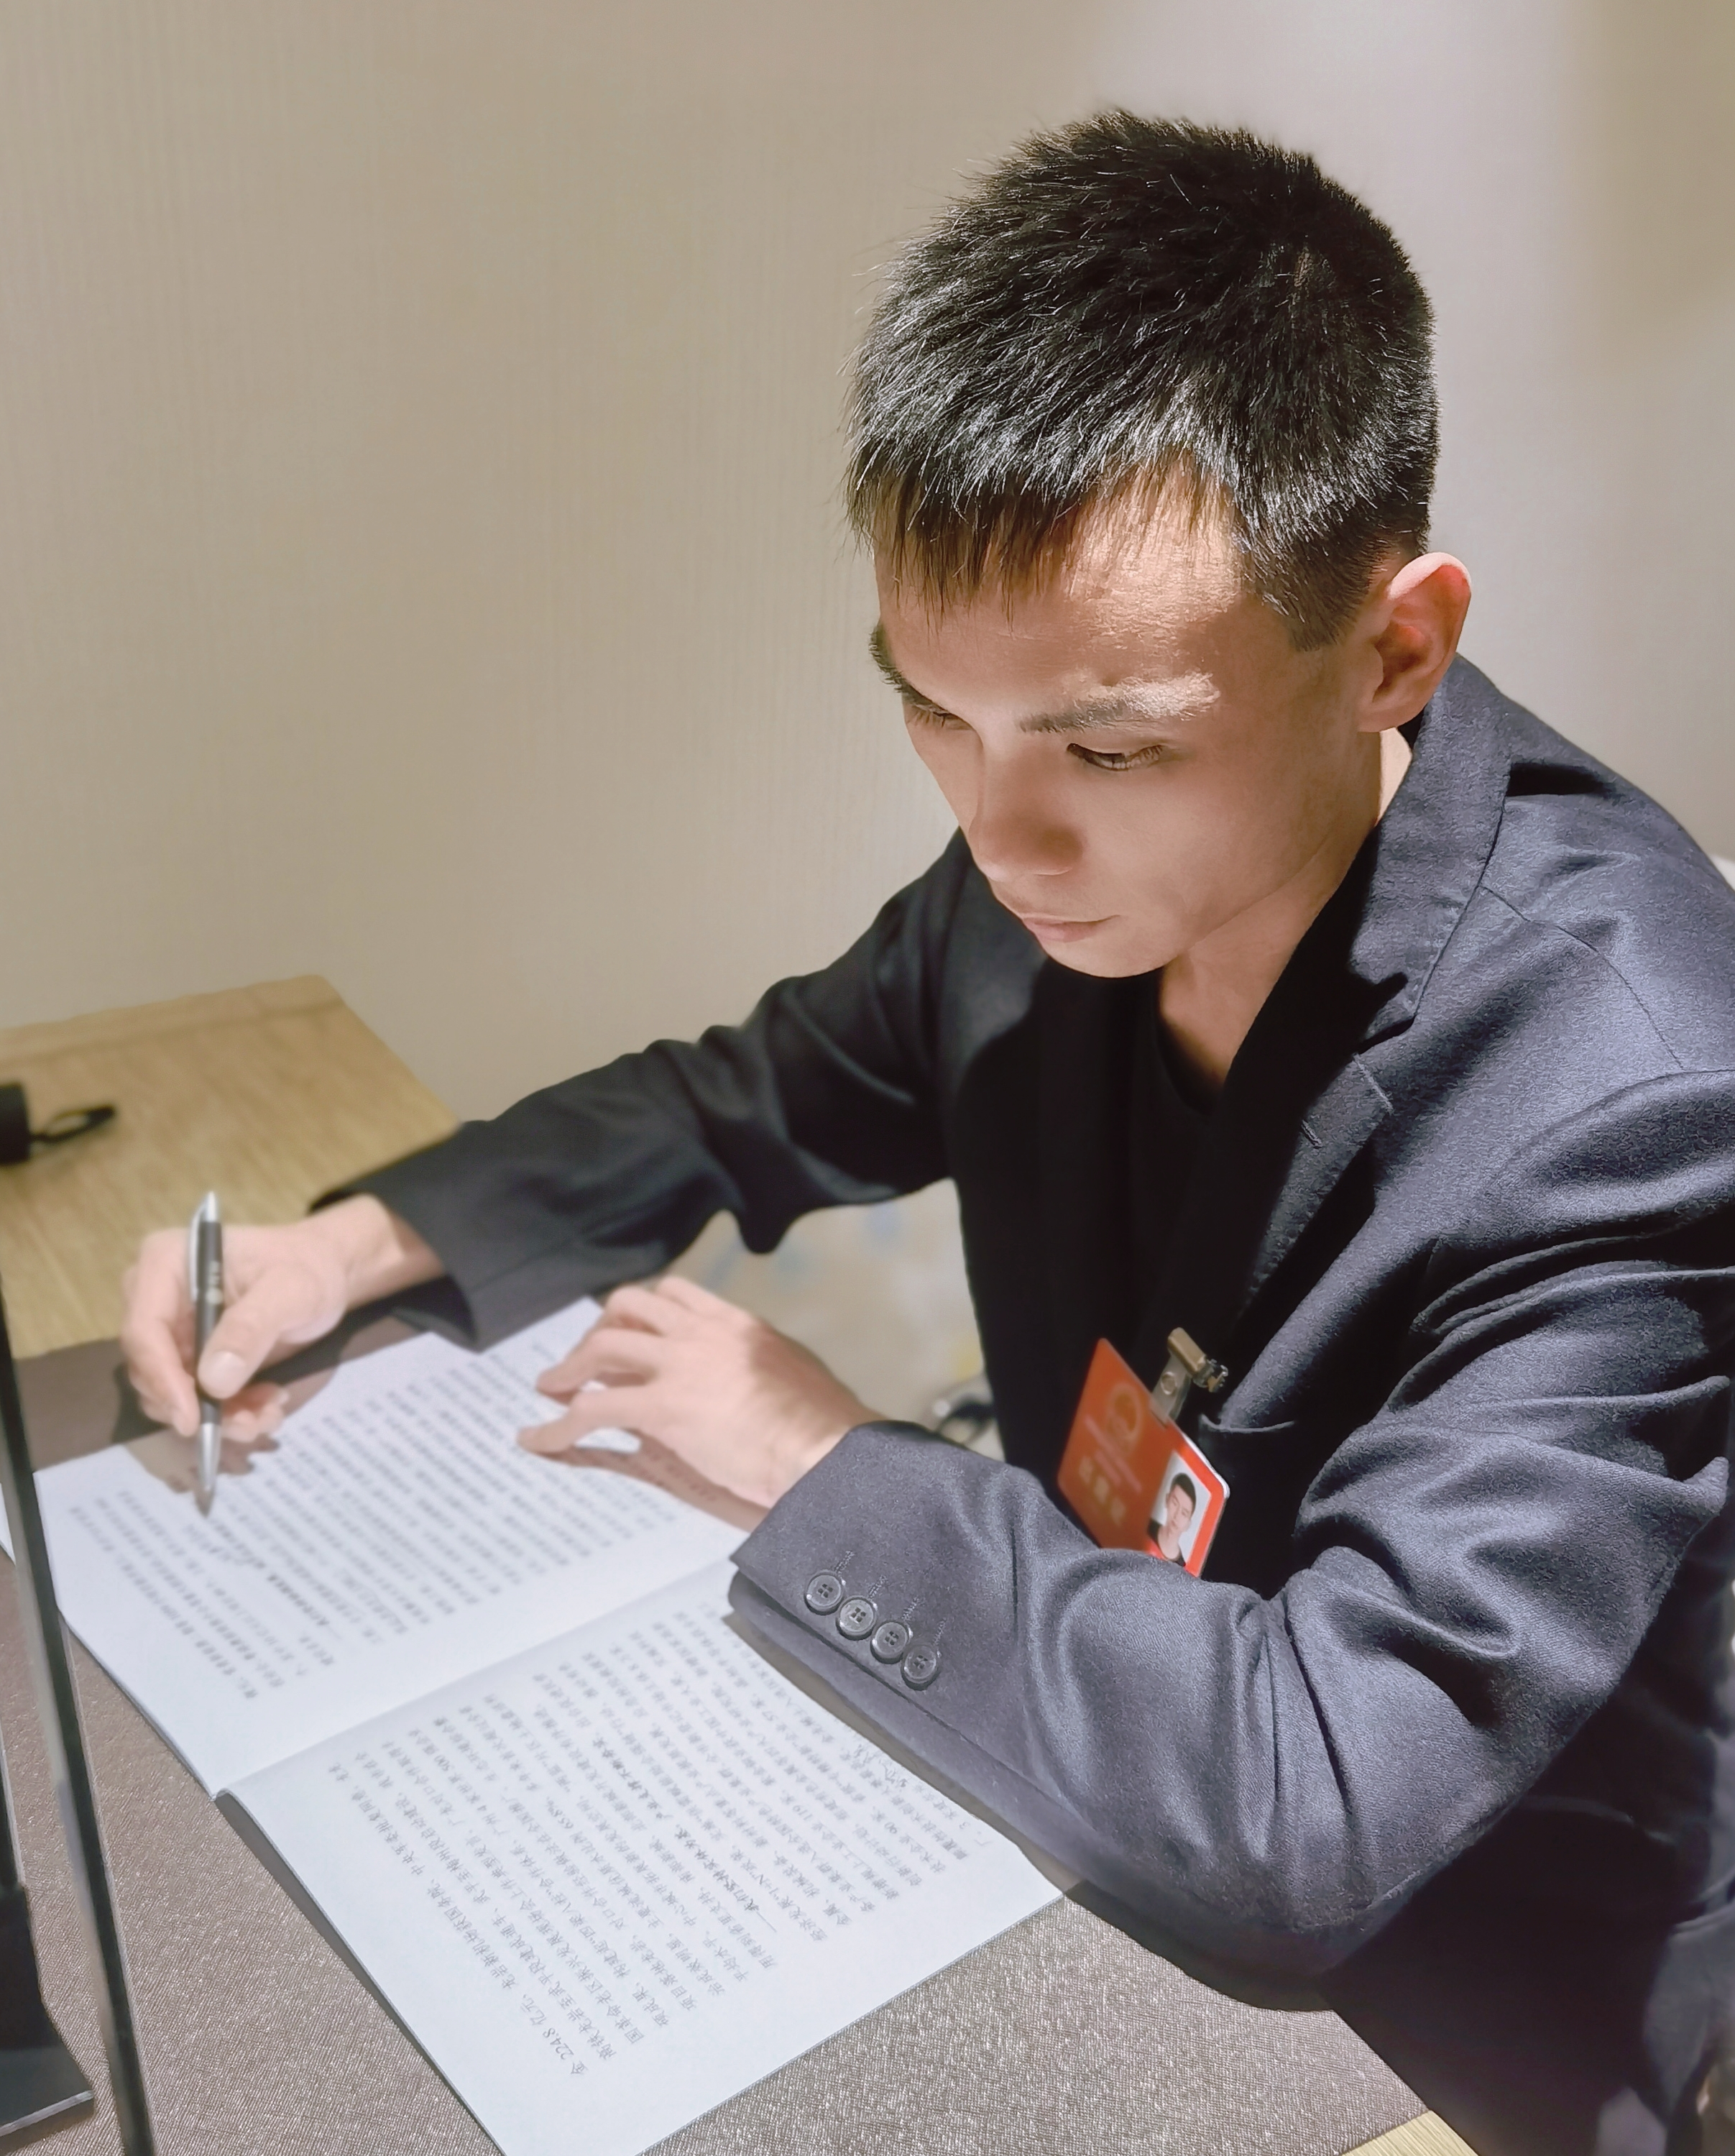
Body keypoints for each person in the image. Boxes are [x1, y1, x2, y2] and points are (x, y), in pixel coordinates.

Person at [120, 115, 1735, 2156]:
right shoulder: (1045, 879)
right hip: (1066, 1777)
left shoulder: (1626, 1092)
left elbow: (1321, 1792)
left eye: (1104, 744)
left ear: (1389, 650)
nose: (1000, 832)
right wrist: (351, 1243)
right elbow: (745, 1091)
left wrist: (814, 1454)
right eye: (932, 711)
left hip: (1472, 1980)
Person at [1152, 1471, 1197, 1564]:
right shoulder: (1144, 1527)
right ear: (1167, 1500)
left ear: (1188, 1525)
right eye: (1175, 1503)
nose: (1177, 1515)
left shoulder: (1182, 1568)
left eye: (1184, 1513)